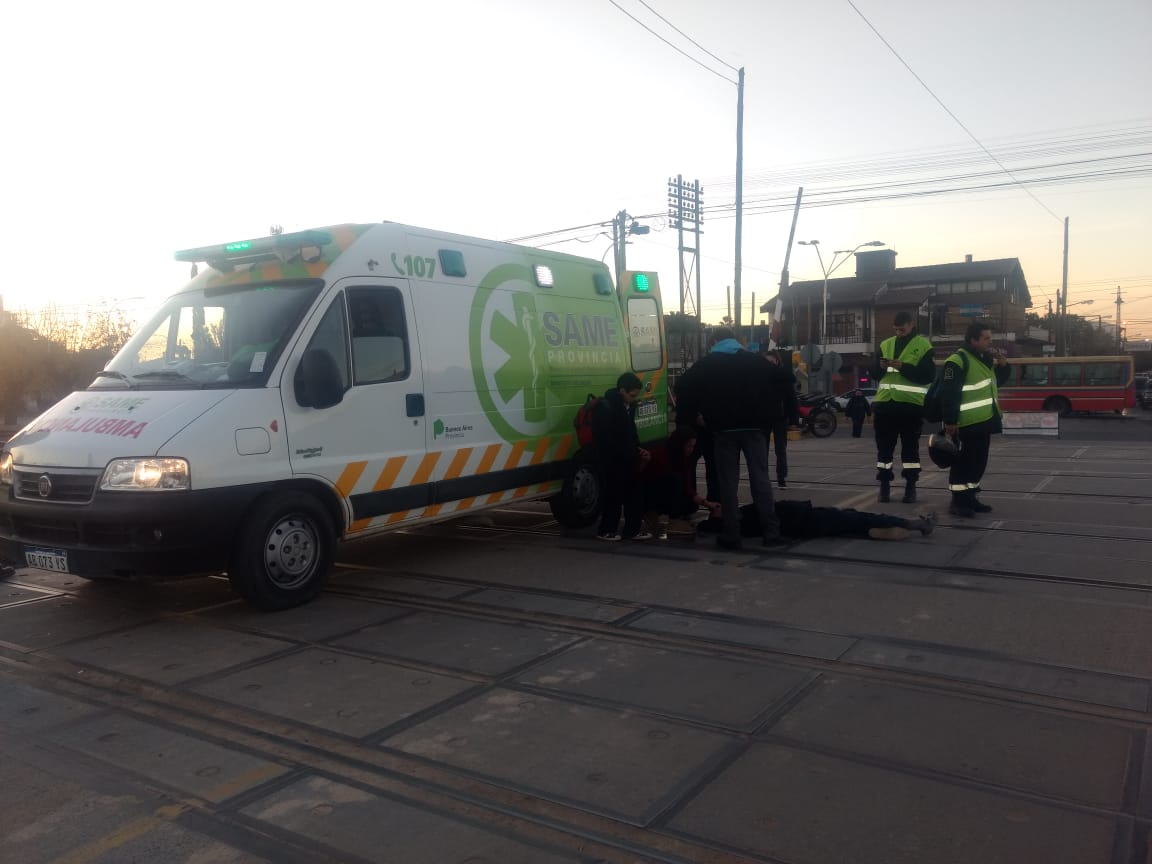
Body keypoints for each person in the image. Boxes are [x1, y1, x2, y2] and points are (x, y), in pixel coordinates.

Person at [674, 327, 782, 551]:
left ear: (714, 341)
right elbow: (785, 379)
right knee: (761, 480)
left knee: (728, 484)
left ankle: (732, 534)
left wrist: (696, 416)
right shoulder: (755, 361)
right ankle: (771, 533)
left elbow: (681, 386)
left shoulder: (708, 363)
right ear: (736, 340)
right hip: (754, 430)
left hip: (724, 431)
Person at [938, 320, 1011, 518]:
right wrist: (951, 421)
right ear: (973, 340)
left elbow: (994, 383)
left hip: (984, 420)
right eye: (986, 338)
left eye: (990, 338)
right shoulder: (958, 360)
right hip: (966, 422)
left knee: (979, 462)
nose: (990, 342)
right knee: (963, 463)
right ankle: (958, 502)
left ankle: (971, 497)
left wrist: (1004, 366)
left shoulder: (983, 359)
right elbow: (949, 393)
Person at [872, 310, 937, 503]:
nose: (899, 333)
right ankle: (884, 486)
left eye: (902, 329)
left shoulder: (923, 346)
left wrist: (903, 367)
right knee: (884, 451)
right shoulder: (885, 344)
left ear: (911, 325)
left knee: (910, 452)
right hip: (885, 405)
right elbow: (874, 373)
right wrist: (880, 367)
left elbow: (928, 376)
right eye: (896, 330)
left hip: (910, 407)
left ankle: (910, 487)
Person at [591, 372, 652, 541]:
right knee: (614, 496)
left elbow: (631, 432)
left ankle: (632, 529)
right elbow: (604, 438)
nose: (634, 399)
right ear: (622, 390)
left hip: (629, 457)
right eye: (631, 395)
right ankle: (606, 530)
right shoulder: (606, 407)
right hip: (612, 460)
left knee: (635, 494)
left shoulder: (629, 406)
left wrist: (638, 449)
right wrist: (623, 452)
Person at [698, 500, 936, 541]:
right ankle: (916, 524)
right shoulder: (737, 519)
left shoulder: (739, 518)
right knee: (860, 517)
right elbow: (704, 525)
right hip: (805, 519)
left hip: (806, 521)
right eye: (717, 508)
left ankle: (873, 532)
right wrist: (711, 509)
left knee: (850, 520)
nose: (720, 504)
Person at [641, 426, 719, 535]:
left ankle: (668, 515)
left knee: (691, 505)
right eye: (689, 446)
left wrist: (708, 504)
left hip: (663, 492)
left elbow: (688, 488)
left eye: (693, 446)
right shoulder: (661, 454)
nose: (691, 449)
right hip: (649, 494)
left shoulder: (683, 458)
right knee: (675, 480)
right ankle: (668, 518)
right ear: (679, 444)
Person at [762, 350, 800, 487]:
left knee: (780, 449)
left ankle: (781, 477)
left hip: (780, 417)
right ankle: (762, 477)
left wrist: (794, 420)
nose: (769, 365)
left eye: (771, 362)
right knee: (762, 450)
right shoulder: (760, 378)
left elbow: (792, 399)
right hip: (764, 418)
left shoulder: (784, 377)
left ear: (777, 362)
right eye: (767, 362)